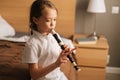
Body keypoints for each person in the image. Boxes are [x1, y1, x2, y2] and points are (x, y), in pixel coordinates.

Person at [22, 0, 74, 80]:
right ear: (36, 20)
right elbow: (34, 75)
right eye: (48, 20)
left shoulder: (55, 36)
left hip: (58, 76)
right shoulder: (32, 44)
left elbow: (57, 59)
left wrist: (64, 53)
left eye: (54, 19)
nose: (52, 24)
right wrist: (56, 64)